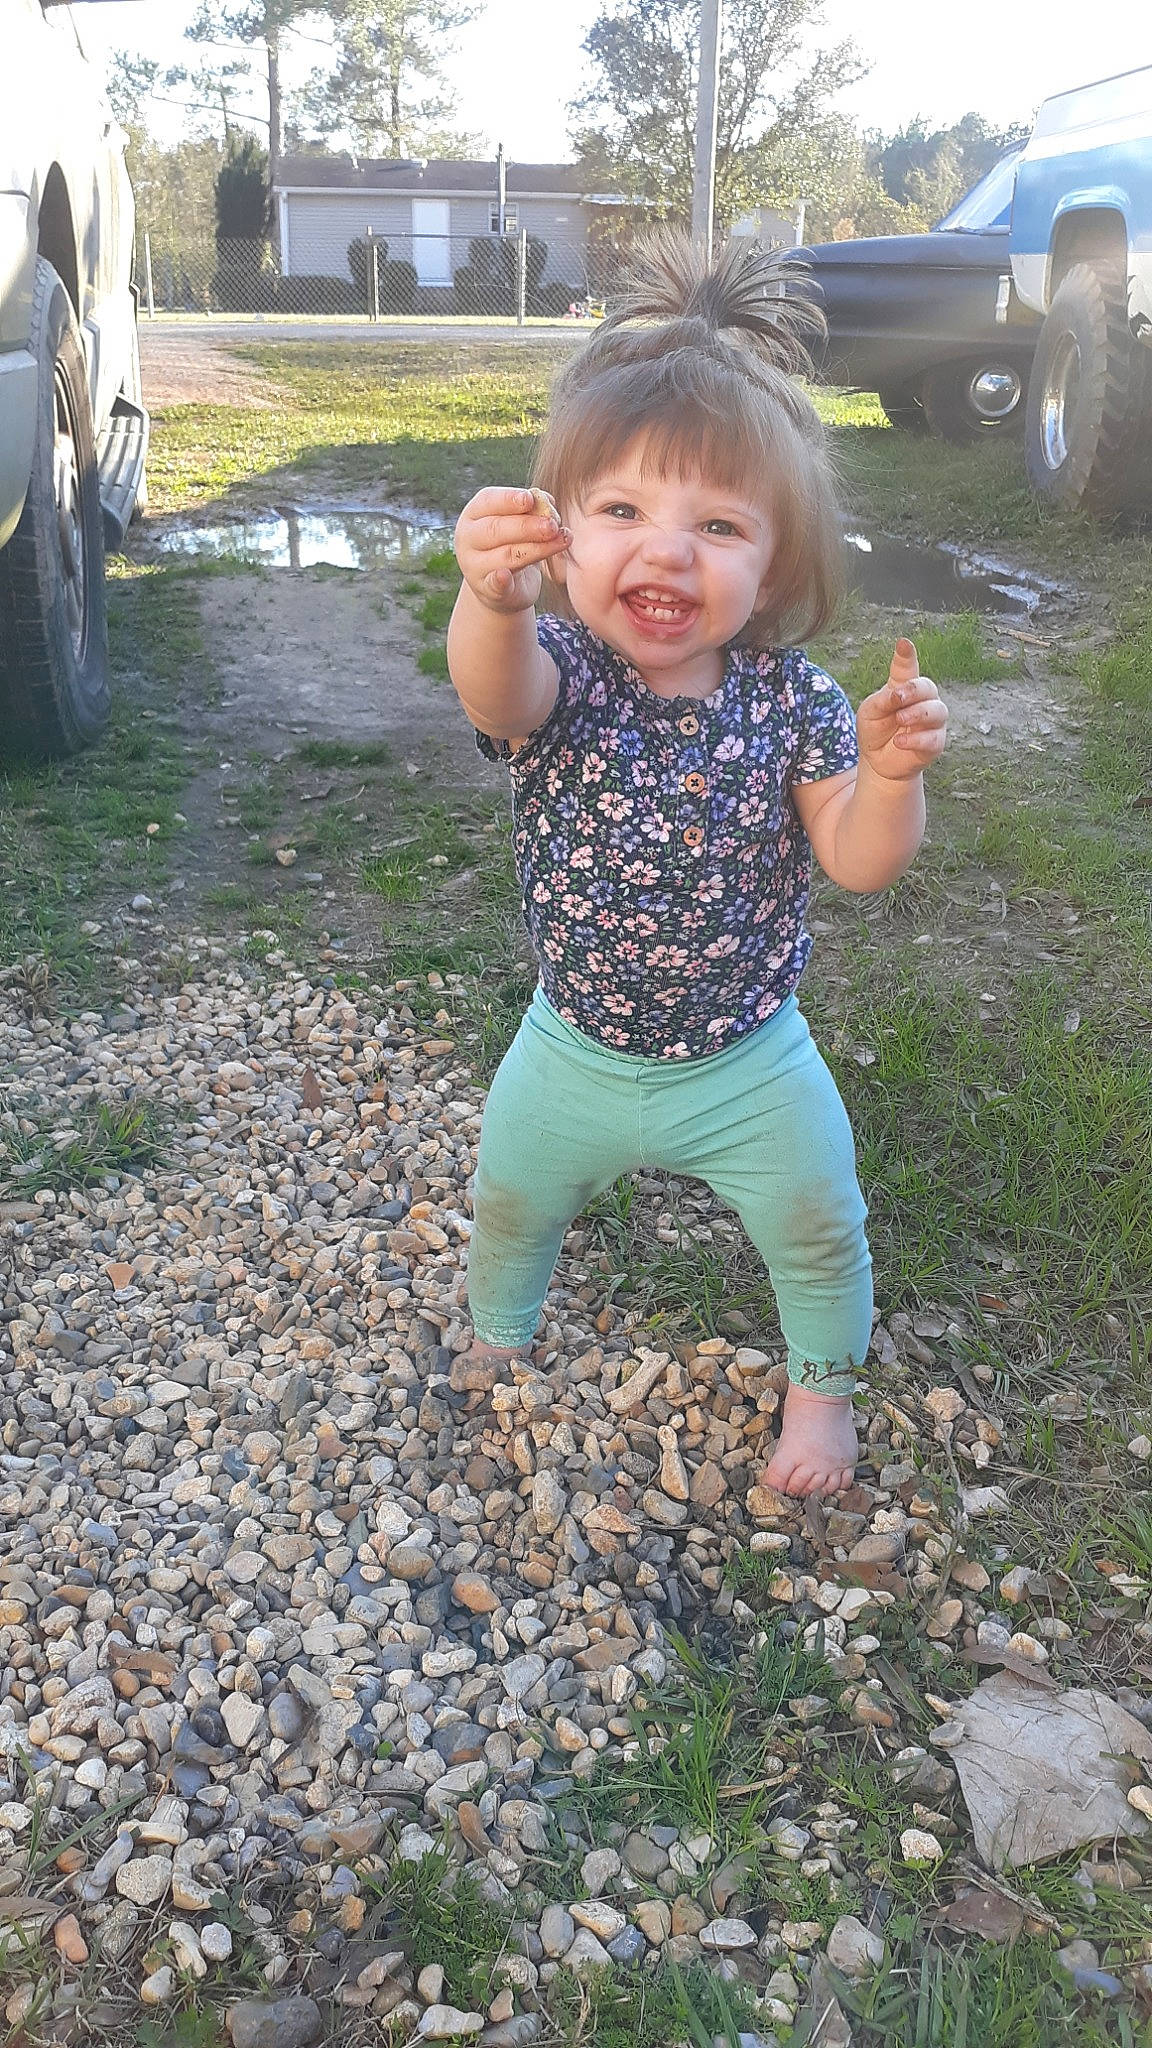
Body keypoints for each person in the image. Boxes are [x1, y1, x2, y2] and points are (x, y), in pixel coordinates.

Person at [445, 232, 948, 1498]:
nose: (665, 552)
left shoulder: (795, 703)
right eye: (622, 511)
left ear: (772, 563)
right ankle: (498, 1333)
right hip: (572, 1042)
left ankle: (823, 1390)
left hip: (746, 1053)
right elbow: (492, 691)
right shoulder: (565, 672)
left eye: (716, 525)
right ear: (561, 536)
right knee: (509, 1199)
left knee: (818, 1218)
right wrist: (492, 606)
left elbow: (857, 861)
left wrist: (890, 779)